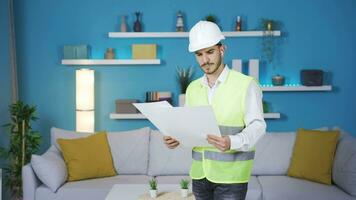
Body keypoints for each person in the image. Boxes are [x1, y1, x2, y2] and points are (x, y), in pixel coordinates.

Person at [163, 20, 266, 200]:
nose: (205, 60)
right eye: (199, 54)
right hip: (199, 175)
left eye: (210, 52)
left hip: (232, 177)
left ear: (222, 49)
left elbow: (258, 126)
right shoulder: (193, 88)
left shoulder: (246, 84)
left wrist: (232, 142)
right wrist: (176, 138)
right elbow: (190, 127)